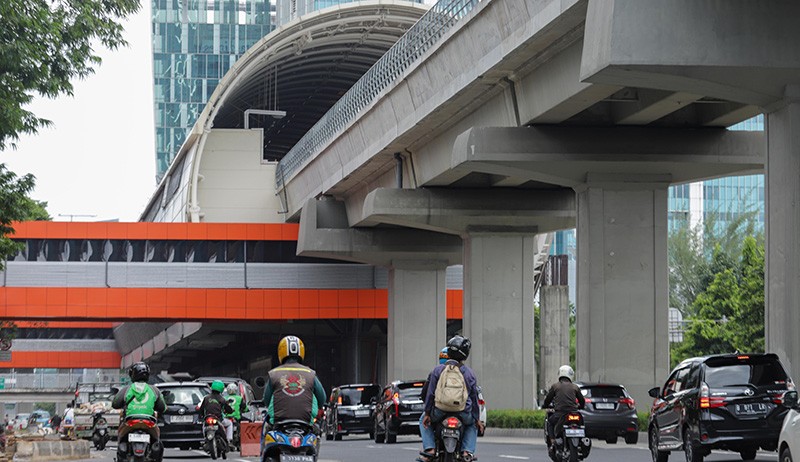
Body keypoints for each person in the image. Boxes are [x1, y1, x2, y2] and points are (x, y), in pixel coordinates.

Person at [418, 335, 483, 462]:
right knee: (472, 425)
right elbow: (474, 398)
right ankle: (467, 452)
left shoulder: (437, 371)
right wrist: (477, 419)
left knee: (422, 420)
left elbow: (430, 394)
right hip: (463, 411)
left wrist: (427, 413)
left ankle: (430, 449)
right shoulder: (469, 373)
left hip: (439, 411)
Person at [262, 336, 326, 431]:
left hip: (279, 423)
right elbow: (322, 398)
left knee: (266, 433)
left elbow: (267, 400)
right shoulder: (311, 374)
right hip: (306, 422)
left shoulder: (273, 374)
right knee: (316, 435)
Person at [112, 362, 167, 462]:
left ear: (132, 374)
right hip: (149, 422)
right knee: (158, 442)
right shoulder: (154, 390)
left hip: (130, 421)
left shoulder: (126, 389)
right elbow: (163, 408)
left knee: (121, 439)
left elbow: (115, 404)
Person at [541, 365, 585, 446]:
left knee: (550, 422)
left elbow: (548, 399)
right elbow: (582, 400)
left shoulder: (555, 386)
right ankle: (582, 441)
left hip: (560, 414)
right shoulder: (575, 387)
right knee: (581, 424)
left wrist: (545, 405)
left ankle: (552, 441)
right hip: (574, 413)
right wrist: (581, 406)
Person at [199, 380, 235, 445]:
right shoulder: (222, 399)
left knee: (204, 426)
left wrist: (201, 416)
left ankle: (204, 438)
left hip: (208, 418)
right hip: (218, 419)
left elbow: (201, 409)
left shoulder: (206, 398)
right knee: (229, 423)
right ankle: (229, 440)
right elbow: (228, 409)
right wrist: (231, 411)